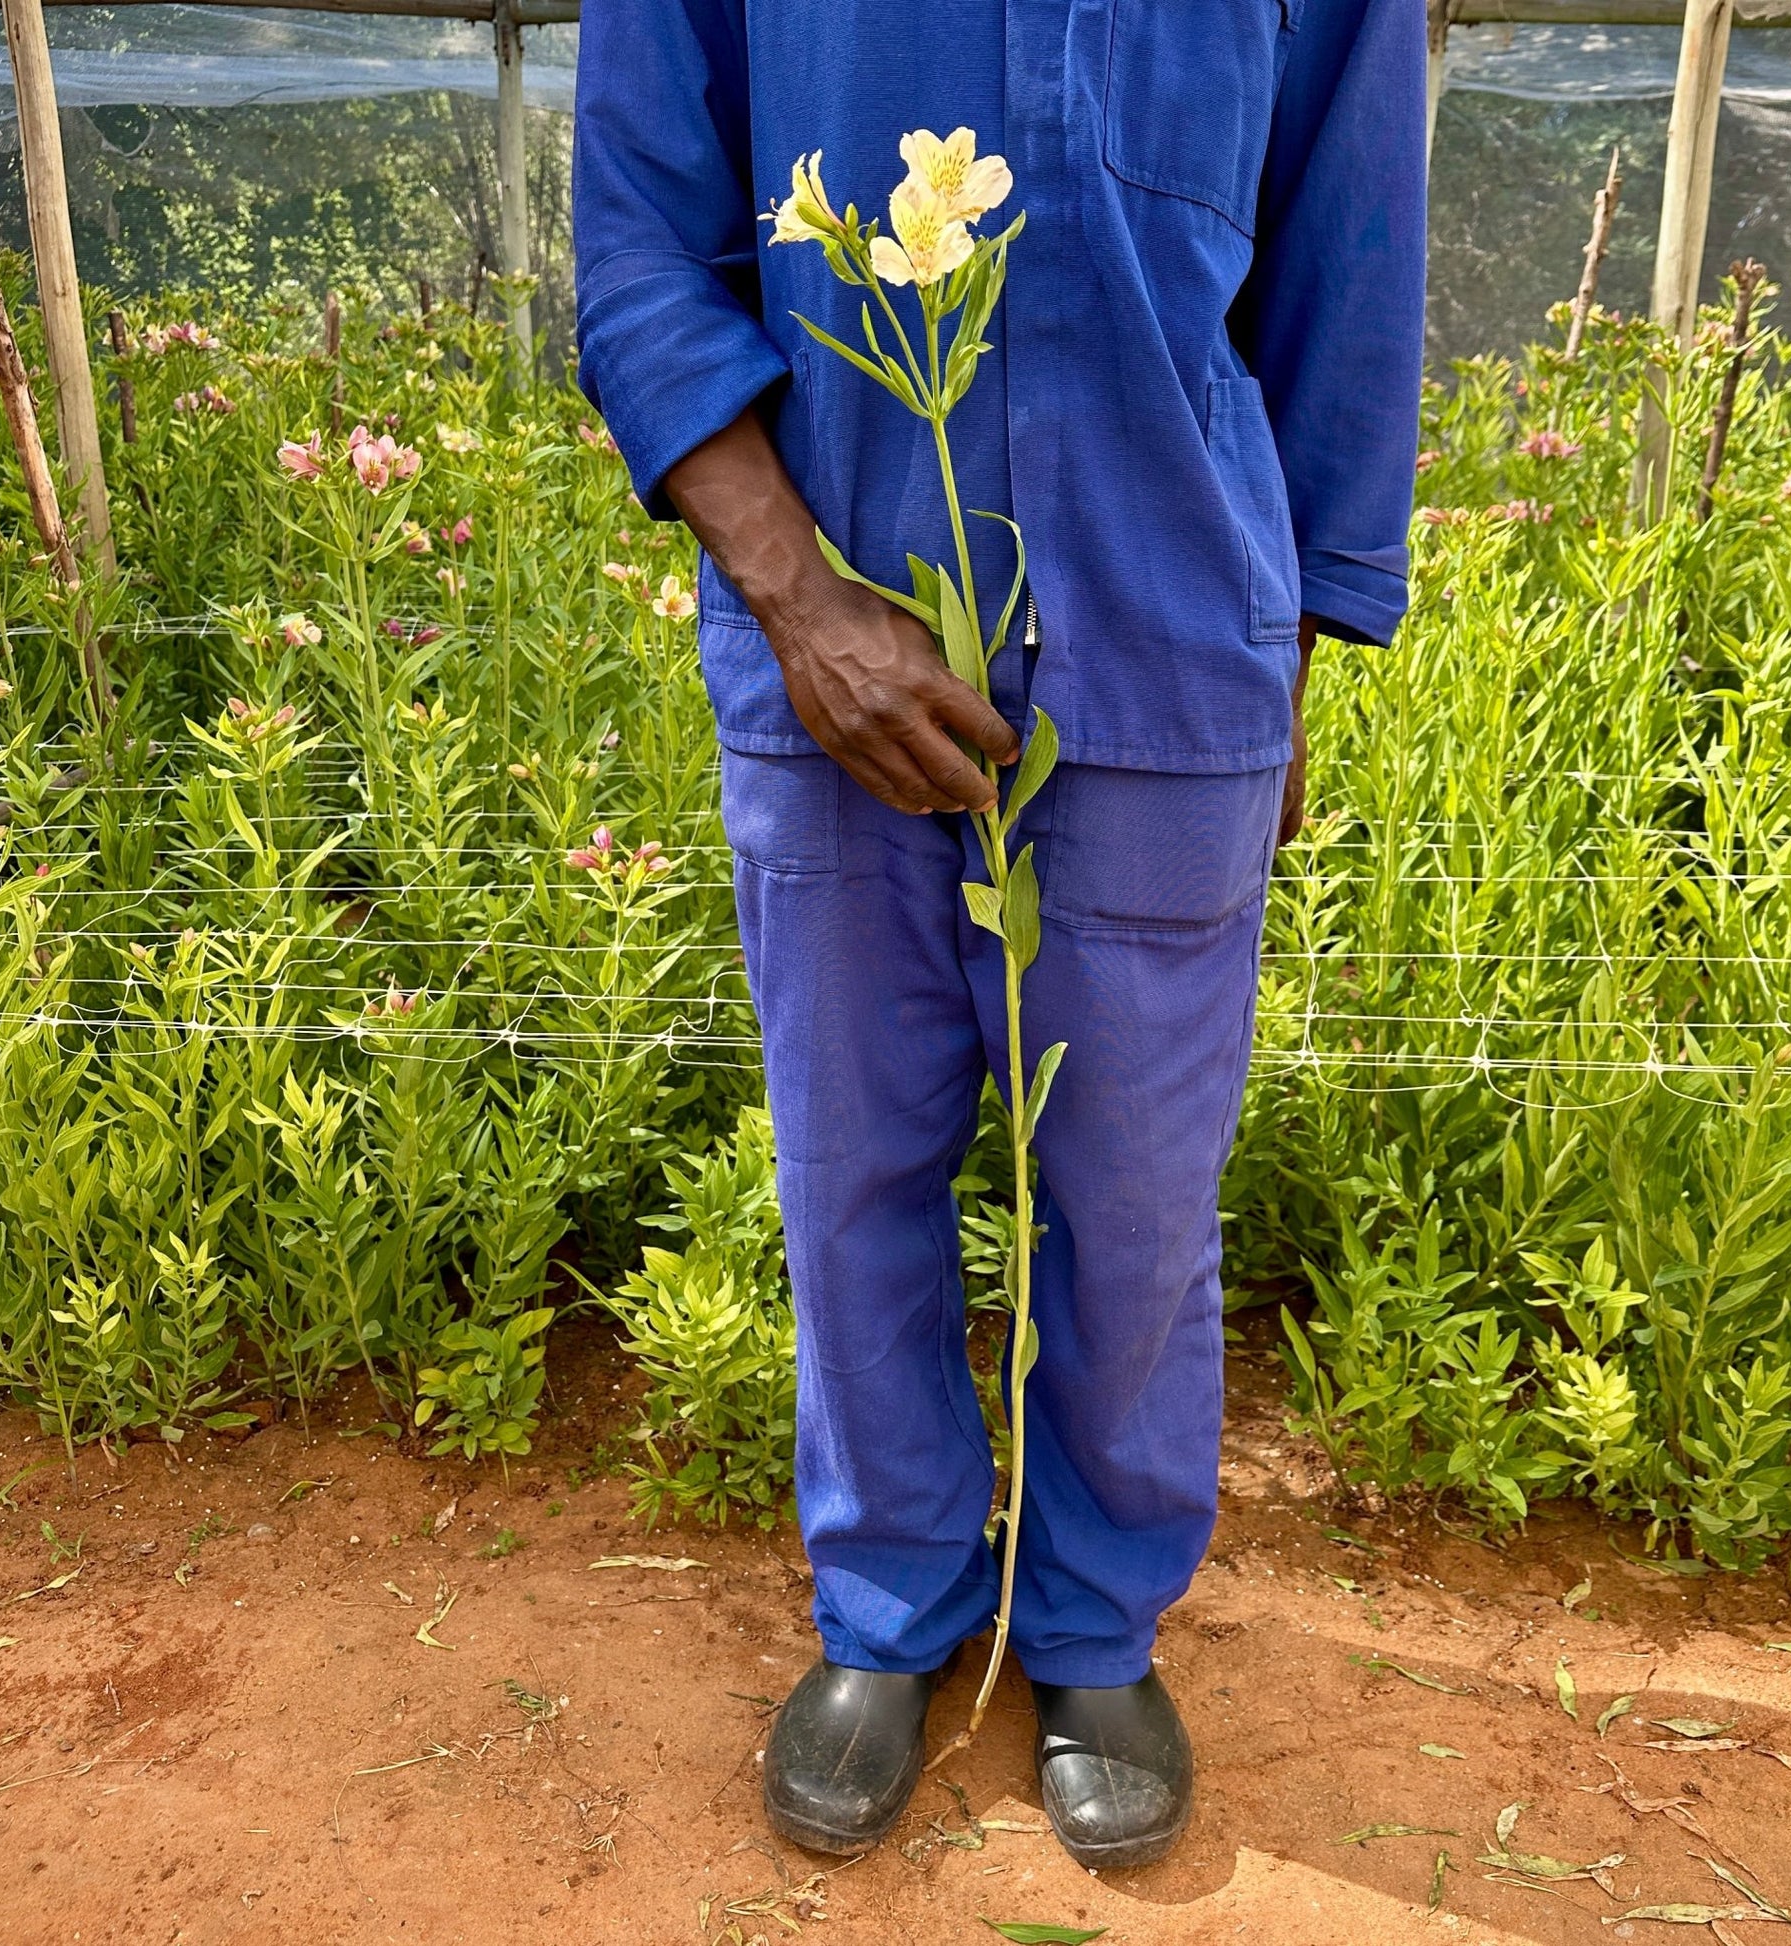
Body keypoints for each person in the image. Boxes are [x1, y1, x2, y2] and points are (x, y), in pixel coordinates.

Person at [574, 0, 1425, 1871]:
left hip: (1165, 629)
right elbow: (640, 234)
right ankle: (889, 1607)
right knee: (853, 1165)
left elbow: (1347, 259)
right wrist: (803, 606)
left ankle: (1094, 1621)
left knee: (1133, 1190)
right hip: (841, 650)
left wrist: (1275, 667)